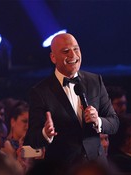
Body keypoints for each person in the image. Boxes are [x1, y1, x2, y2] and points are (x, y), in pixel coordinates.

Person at [24, 33, 119, 166]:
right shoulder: (40, 92)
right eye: (65, 51)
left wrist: (98, 121)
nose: (73, 55)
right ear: (53, 57)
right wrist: (46, 134)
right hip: (64, 172)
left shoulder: (94, 81)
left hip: (97, 167)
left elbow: (114, 123)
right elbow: (33, 139)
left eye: (76, 49)